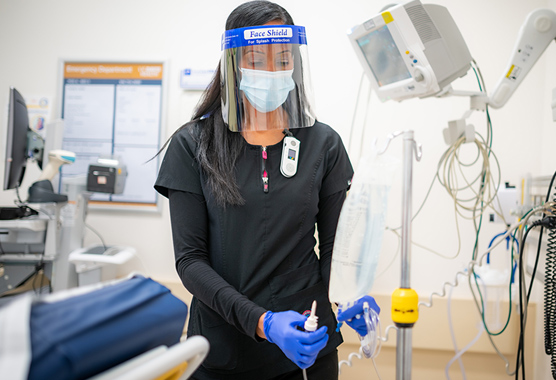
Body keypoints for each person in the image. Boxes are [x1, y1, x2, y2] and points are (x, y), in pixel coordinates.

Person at [154, 1, 379, 379]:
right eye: (256, 60)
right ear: (233, 64)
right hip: (223, 351)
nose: (271, 72)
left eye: (282, 59)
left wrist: (348, 296)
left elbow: (336, 251)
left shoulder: (322, 144)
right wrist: (264, 322)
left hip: (307, 347)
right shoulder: (193, 145)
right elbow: (190, 261)